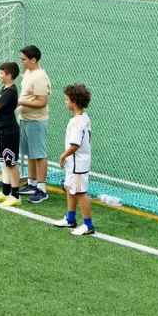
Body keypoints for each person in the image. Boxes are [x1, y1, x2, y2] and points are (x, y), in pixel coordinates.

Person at [52, 84, 95, 236]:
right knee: (69, 188)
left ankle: (88, 225)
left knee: (80, 193)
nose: (65, 102)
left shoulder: (77, 122)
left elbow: (75, 145)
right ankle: (70, 219)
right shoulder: (82, 117)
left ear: (74, 102)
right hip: (74, 163)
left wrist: (63, 155)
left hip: (78, 164)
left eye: (67, 99)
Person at [16, 44, 51, 204]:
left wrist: (21, 102)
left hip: (36, 121)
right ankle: (31, 183)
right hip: (25, 119)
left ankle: (42, 189)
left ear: (33, 60)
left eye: (24, 59)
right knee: (30, 153)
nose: (21, 62)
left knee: (39, 154)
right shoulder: (29, 72)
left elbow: (42, 102)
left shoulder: (40, 77)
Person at [0, 62, 22, 207]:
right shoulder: (5, 89)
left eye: (2, 73)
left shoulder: (10, 92)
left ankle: (15, 195)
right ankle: (5, 191)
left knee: (11, 163)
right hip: (1, 131)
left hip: (9, 132)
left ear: (9, 75)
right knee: (4, 162)